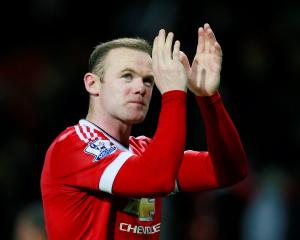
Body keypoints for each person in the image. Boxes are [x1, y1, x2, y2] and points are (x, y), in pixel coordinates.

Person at [40, 23, 248, 239]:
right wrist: (174, 94)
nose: (141, 88)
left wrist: (207, 97)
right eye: (127, 76)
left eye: (148, 80)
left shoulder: (146, 152)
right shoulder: (72, 146)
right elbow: (155, 178)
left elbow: (230, 170)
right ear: (93, 84)